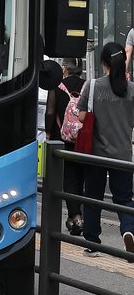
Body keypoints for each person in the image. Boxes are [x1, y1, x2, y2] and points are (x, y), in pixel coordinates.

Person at [76, 42, 134, 258]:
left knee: (93, 197)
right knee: (125, 199)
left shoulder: (93, 86)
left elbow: (82, 116)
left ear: (103, 62)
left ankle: (92, 243)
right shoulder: (132, 90)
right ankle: (129, 229)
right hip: (123, 155)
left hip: (96, 154)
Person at [44, 58, 86, 236]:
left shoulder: (56, 85)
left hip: (62, 140)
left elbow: (50, 112)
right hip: (83, 140)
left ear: (64, 69)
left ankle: (75, 217)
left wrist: (47, 133)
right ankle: (83, 215)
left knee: (68, 179)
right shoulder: (88, 86)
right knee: (81, 176)